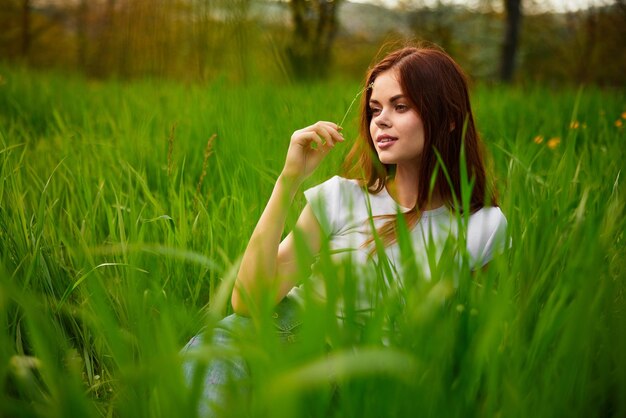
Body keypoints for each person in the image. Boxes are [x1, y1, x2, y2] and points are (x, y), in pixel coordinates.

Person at [182, 45, 508, 416]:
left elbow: (478, 342)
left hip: (376, 377)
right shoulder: (343, 197)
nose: (380, 121)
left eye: (400, 107)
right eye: (375, 109)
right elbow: (248, 302)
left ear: (449, 117)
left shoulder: (484, 226)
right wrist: (289, 181)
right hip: (289, 333)